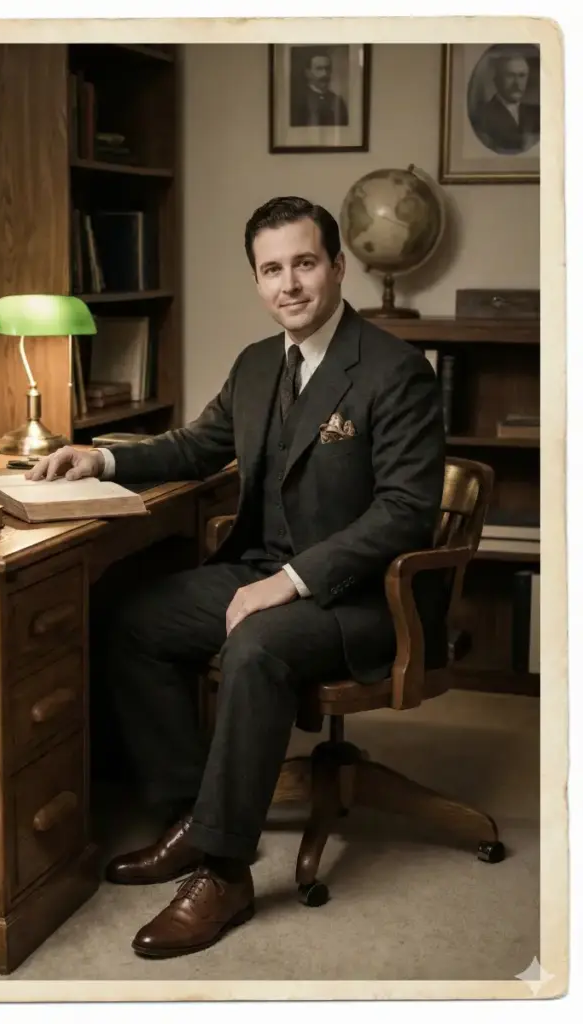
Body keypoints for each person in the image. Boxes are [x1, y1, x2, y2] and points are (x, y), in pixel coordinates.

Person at [28, 196, 447, 959]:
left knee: (256, 644)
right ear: (256, 281)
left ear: (337, 267)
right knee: (133, 619)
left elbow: (404, 513)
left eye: (304, 263)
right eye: (271, 269)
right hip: (261, 572)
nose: (289, 284)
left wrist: (290, 580)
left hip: (361, 597)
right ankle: (193, 815)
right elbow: (195, 447)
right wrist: (104, 457)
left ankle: (224, 874)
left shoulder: (396, 371)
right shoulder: (257, 364)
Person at [470, 52, 540, 155]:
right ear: (497, 80)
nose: (517, 83)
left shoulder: (537, 113)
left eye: (522, 76)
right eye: (510, 76)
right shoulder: (482, 116)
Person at [289, 49, 348, 127]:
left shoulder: (338, 101)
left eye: (327, 68)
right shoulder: (298, 101)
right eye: (319, 69)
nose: (325, 74)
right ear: (307, 73)